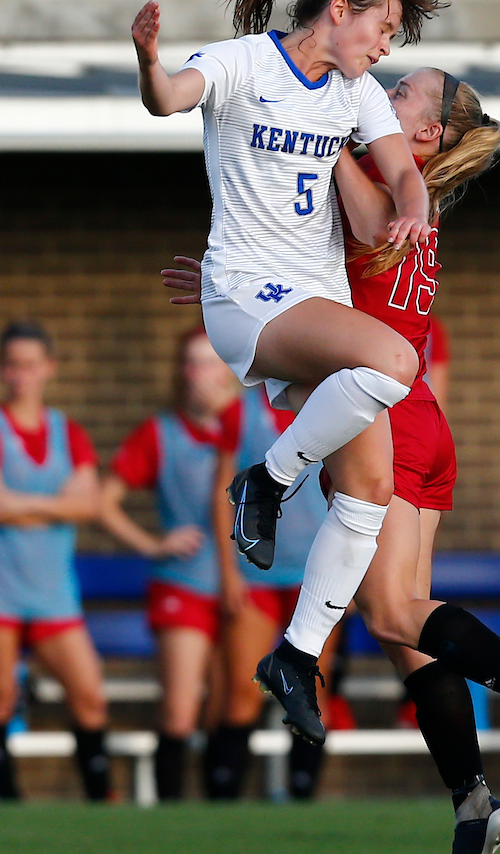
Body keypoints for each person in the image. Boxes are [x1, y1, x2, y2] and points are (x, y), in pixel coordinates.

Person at [137, 0, 500, 785]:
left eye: (402, 71)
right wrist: (150, 64)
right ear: (340, 9)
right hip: (328, 343)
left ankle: (295, 642)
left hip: (344, 350)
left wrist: (402, 189)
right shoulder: (256, 67)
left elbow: (387, 181)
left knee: (381, 555)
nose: (387, 58)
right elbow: (176, 102)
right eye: (385, 33)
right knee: (394, 587)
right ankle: (270, 492)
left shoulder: (353, 109)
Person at [164, 64, 500, 854]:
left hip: (382, 417)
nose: (381, 94)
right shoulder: (407, 193)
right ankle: (474, 804)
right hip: (414, 414)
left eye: (400, 94)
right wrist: (231, 282)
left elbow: (328, 218)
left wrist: (325, 120)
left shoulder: (377, 183)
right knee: (406, 630)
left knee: (392, 611)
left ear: (427, 132)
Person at [99, 327, 238, 800]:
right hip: (184, 583)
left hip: (242, 588)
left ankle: (222, 819)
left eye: (209, 362)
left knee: (227, 708)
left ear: (230, 370)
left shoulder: (255, 429)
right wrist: (154, 544)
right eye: (191, 362)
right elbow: (103, 503)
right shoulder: (161, 433)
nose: (198, 373)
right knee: (180, 711)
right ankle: (169, 816)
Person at [204, 385, 339, 801]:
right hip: (254, 576)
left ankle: (302, 803)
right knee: (243, 691)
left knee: (311, 692)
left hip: (316, 574)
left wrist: (349, 572)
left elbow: (352, 489)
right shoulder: (239, 413)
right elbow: (221, 495)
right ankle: (222, 806)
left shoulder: (337, 402)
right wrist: (227, 571)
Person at [0, 320, 109, 802]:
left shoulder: (69, 432)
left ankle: (102, 805)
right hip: (4, 592)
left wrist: (19, 505)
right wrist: (57, 504)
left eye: (30, 364)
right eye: (11, 364)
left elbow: (89, 505)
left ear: (49, 368)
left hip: (53, 595)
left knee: (90, 698)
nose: (20, 374)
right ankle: (10, 807)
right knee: (1, 700)